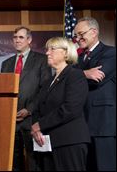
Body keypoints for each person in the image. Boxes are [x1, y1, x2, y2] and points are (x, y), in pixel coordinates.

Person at [31, 37, 90, 171]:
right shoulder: (48, 81)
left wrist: (40, 125)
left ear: (65, 53)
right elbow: (38, 108)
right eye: (47, 49)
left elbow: (71, 108)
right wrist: (36, 128)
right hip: (46, 143)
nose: (47, 53)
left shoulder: (75, 76)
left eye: (52, 49)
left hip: (69, 141)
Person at [1, 26, 52, 171]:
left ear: (29, 40)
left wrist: (29, 109)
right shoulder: (6, 63)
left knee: (34, 160)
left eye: (21, 37)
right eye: (15, 37)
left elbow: (45, 89)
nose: (17, 40)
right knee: (13, 160)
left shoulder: (42, 60)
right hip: (11, 119)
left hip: (32, 119)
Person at [74, 16, 116, 171]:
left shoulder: (111, 53)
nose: (78, 39)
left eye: (81, 34)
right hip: (82, 122)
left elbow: (97, 79)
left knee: (105, 166)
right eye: (76, 35)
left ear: (94, 32)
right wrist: (85, 73)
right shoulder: (78, 58)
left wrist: (79, 75)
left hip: (102, 124)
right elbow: (69, 80)